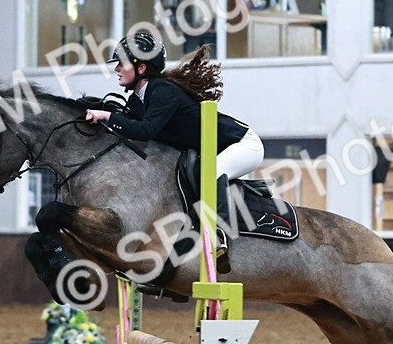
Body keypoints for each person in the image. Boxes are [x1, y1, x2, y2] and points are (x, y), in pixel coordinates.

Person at [83, 30, 264, 273]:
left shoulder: (162, 91)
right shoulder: (138, 100)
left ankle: (218, 235)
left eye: (122, 63)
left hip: (242, 144)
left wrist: (107, 115)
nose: (116, 68)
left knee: (213, 173)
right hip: (209, 149)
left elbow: (145, 130)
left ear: (142, 68)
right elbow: (127, 125)